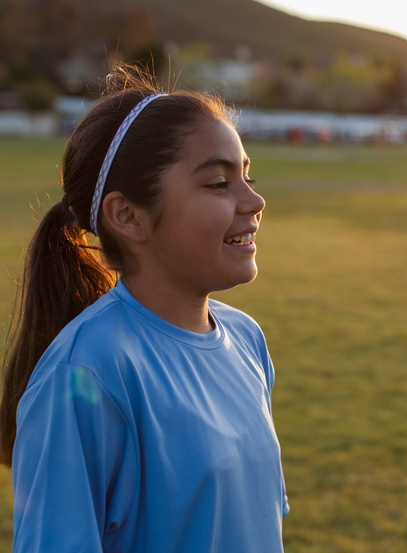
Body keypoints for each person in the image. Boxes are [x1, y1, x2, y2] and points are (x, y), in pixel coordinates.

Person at [0, 66, 289, 551]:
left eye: (247, 175)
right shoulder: (86, 373)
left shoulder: (247, 341)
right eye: (219, 184)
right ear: (129, 216)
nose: (255, 200)